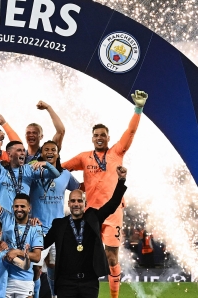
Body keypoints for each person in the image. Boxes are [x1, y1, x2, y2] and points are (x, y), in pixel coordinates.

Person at [61, 90, 148, 298]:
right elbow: (62, 168)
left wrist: (138, 109)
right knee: (85, 256)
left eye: (103, 135)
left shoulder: (117, 152)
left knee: (111, 257)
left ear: (108, 138)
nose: (99, 138)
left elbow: (130, 132)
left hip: (112, 212)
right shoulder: (84, 157)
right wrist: (43, 165)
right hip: (90, 213)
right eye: (96, 135)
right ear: (92, 138)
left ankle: (114, 296)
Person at [43, 166, 128, 298]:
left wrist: (121, 180)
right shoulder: (59, 224)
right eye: (73, 201)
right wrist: (33, 228)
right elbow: (42, 243)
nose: (76, 204)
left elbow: (112, 205)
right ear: (69, 204)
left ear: (85, 203)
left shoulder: (94, 218)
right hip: (65, 283)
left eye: (79, 201)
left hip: (89, 283)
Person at [0, 157, 44, 298]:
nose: (19, 209)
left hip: (25, 281)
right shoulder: (7, 218)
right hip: (5, 278)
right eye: (16, 206)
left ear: (29, 208)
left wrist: (17, 252)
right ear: (12, 207)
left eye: (22, 206)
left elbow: (36, 257)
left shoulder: (35, 228)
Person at [29, 140, 80, 298]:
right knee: (36, 269)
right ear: (42, 153)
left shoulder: (65, 174)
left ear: (58, 154)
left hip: (58, 229)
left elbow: (78, 188)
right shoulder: (33, 170)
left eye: (53, 149)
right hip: (38, 228)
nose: (50, 152)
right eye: (46, 150)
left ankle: (54, 296)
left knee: (54, 266)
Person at [0, 131, 60, 212]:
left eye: (23, 150)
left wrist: (46, 164)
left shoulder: (29, 169)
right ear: (9, 154)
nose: (23, 153)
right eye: (19, 150)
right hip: (2, 220)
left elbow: (55, 174)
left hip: (21, 219)